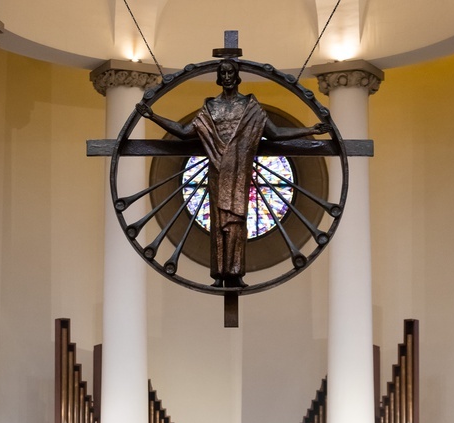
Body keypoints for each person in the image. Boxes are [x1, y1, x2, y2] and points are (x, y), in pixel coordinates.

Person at [138, 59, 327, 288]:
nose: (227, 76)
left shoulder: (250, 107)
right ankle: (219, 274)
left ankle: (236, 273)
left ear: (237, 77)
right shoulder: (210, 108)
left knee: (237, 221)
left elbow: (275, 133)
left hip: (240, 171)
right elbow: (186, 132)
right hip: (218, 170)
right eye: (223, 72)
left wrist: (310, 130)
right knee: (219, 222)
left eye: (230, 72)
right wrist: (152, 116)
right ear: (219, 77)